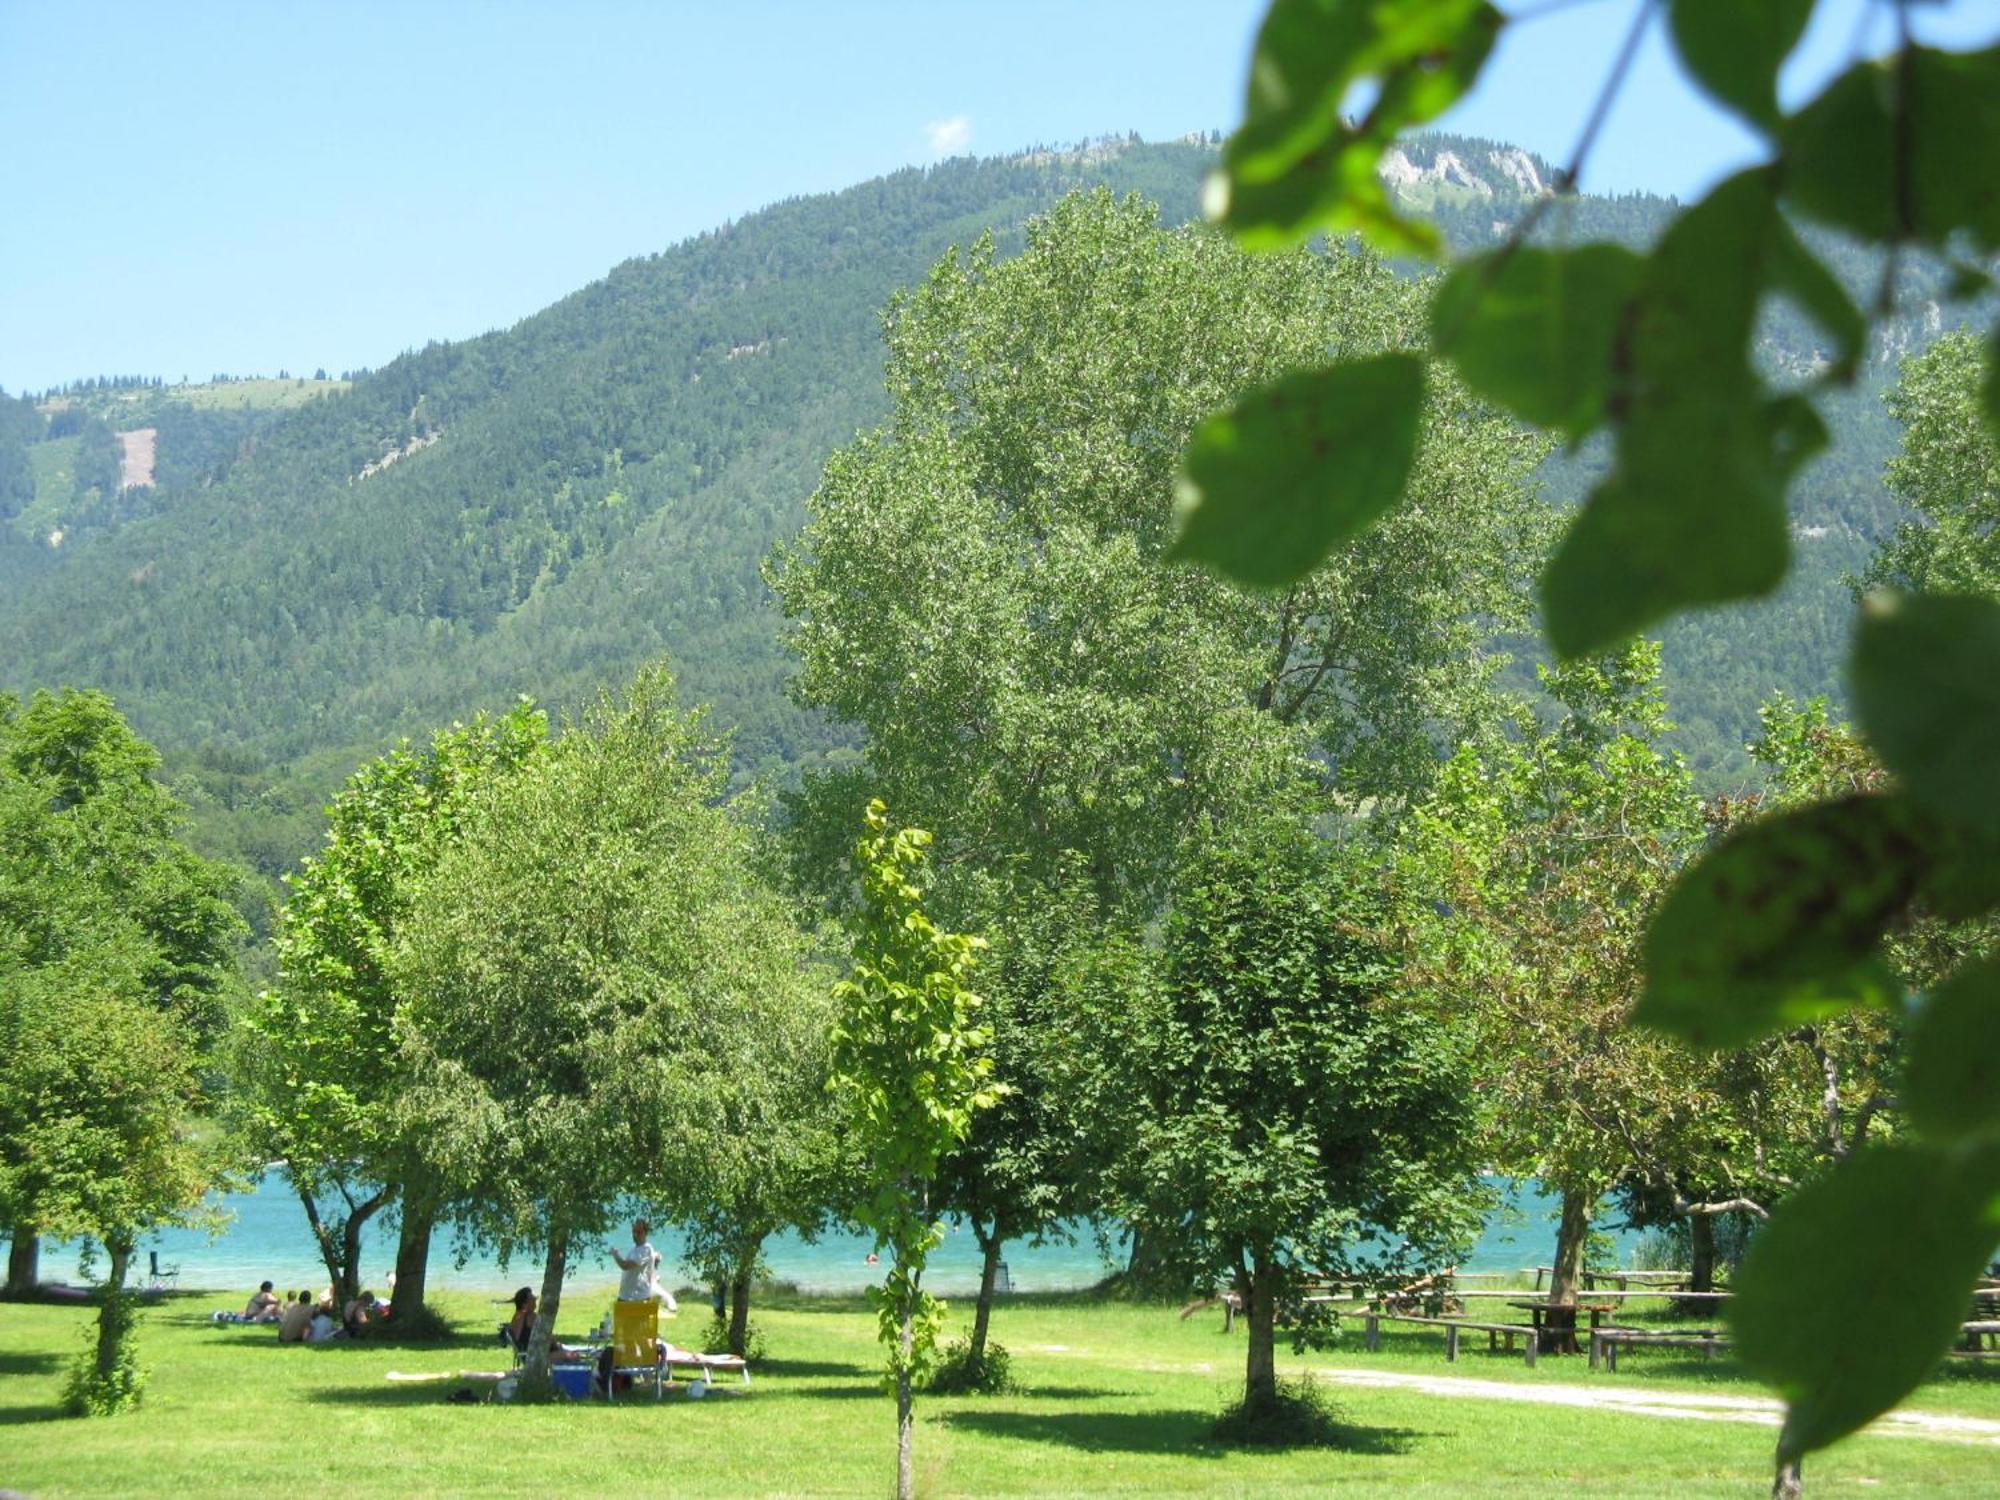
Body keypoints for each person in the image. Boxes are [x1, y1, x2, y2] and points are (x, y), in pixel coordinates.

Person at [609, 1218, 677, 1311]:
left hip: (637, 1299)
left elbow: (625, 1266)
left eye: (639, 1232)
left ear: (645, 1233)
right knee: (622, 1325)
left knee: (636, 1325)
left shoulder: (646, 1249)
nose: (635, 1234)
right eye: (634, 1231)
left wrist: (615, 1254)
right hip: (626, 1297)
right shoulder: (635, 1249)